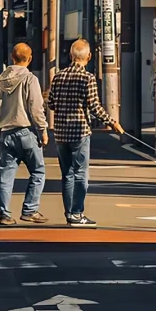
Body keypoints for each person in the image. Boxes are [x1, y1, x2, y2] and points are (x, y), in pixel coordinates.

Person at [47, 38, 123, 227]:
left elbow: (51, 104)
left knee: (67, 174)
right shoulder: (87, 78)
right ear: (88, 57)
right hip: (80, 131)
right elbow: (94, 106)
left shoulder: (58, 76)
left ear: (71, 56)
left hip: (61, 132)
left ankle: (69, 213)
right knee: (81, 174)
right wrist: (112, 122)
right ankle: (77, 213)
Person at [0, 42, 49, 227]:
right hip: (26, 132)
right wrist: (43, 131)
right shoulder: (30, 79)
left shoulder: (0, 80)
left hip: (6, 133)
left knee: (6, 176)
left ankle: (5, 214)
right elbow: (36, 108)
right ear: (29, 59)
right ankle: (30, 210)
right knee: (38, 171)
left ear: (11, 57)